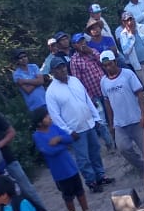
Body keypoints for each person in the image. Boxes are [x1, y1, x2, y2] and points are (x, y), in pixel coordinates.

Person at [44, 56, 114, 193]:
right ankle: (91, 181)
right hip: (75, 130)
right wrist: (68, 131)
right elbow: (55, 116)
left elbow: (87, 99)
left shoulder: (75, 80)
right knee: (83, 158)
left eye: (63, 66)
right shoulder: (51, 92)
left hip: (89, 123)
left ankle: (101, 176)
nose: (62, 70)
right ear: (53, 71)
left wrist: (96, 118)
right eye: (58, 68)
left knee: (95, 151)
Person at [31, 107, 95, 211]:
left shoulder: (54, 128)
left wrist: (59, 139)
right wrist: (63, 145)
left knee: (80, 191)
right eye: (46, 116)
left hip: (71, 167)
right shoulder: (37, 136)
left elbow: (69, 138)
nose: (49, 118)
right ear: (39, 122)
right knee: (68, 197)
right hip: (59, 173)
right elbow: (48, 151)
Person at [99, 51, 144, 171]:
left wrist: (143, 115)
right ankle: (142, 168)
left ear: (115, 62)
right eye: (105, 66)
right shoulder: (103, 82)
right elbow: (107, 103)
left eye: (110, 64)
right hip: (120, 123)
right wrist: (111, 124)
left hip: (136, 119)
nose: (108, 67)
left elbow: (140, 94)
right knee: (123, 148)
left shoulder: (128, 74)